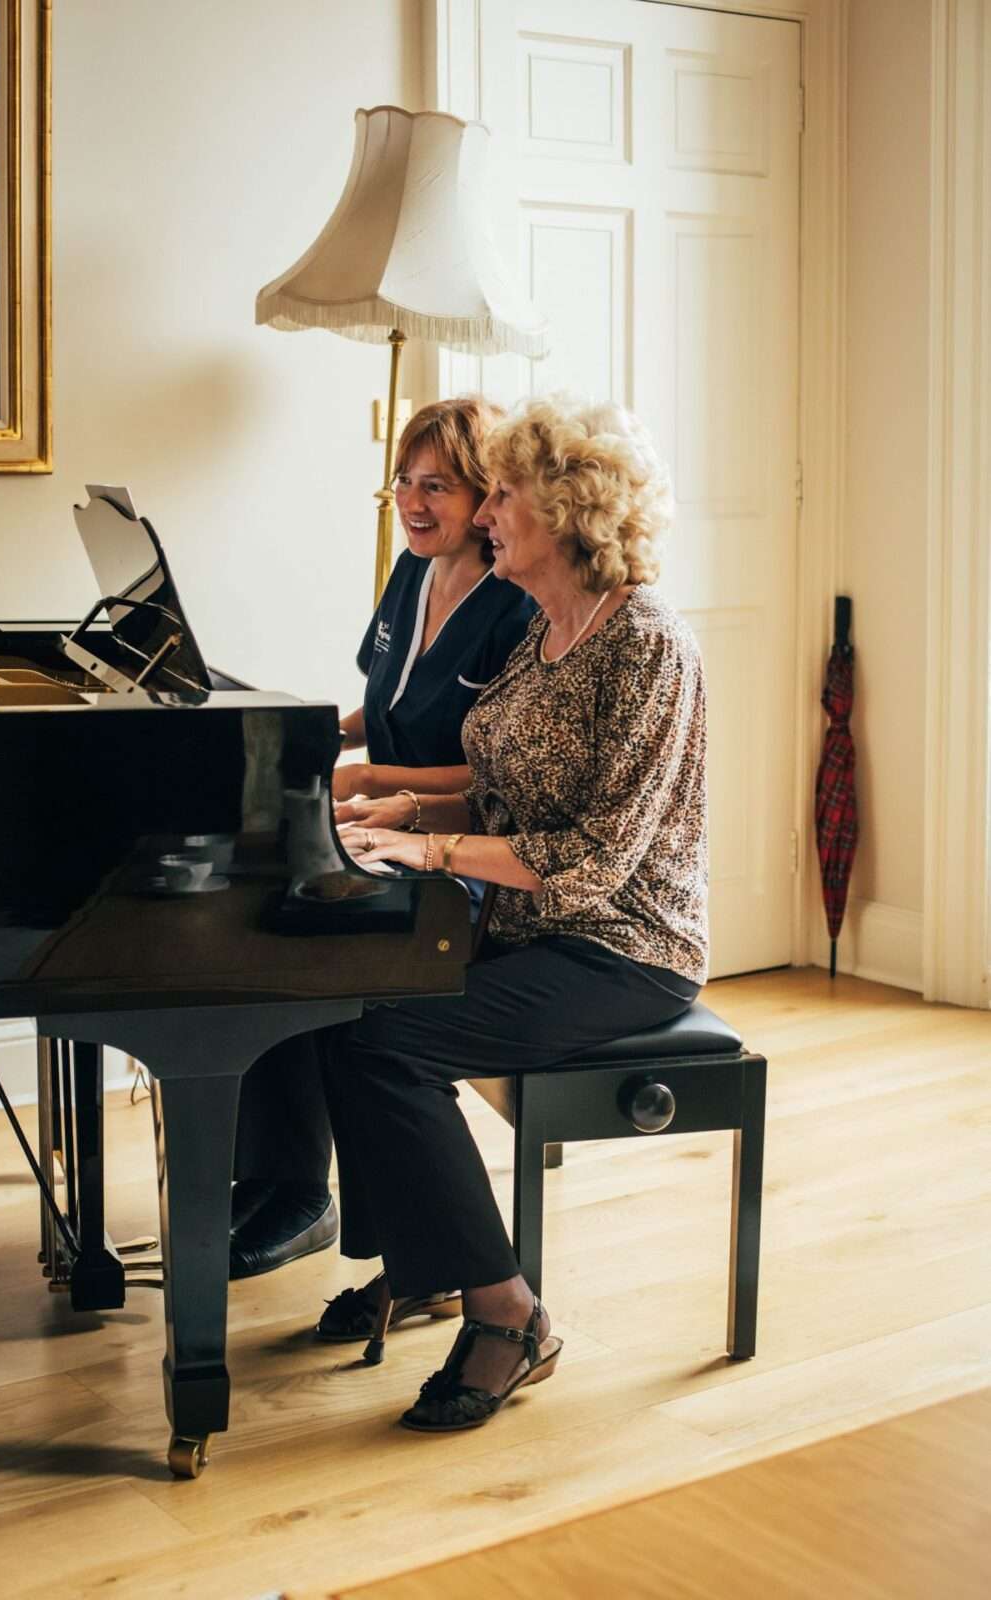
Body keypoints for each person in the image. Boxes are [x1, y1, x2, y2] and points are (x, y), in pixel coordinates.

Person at [319, 395, 708, 1431]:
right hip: (529, 924)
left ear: (569, 509)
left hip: (623, 948)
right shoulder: (544, 627)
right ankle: (432, 1258)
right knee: (328, 1001)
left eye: (501, 493)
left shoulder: (646, 646)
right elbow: (500, 790)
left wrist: (430, 846)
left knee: (385, 1044)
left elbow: (590, 861)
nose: (483, 511)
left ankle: (506, 1316)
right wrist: (400, 807)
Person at [228, 397, 537, 1280]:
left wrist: (369, 784)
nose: (410, 500)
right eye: (404, 480)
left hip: (461, 856)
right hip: (382, 828)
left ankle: (307, 1198)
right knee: (260, 913)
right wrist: (317, 741)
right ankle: (275, 1179)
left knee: (306, 937)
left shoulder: (515, 604)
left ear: (486, 497)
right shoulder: (414, 570)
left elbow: (500, 779)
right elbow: (389, 704)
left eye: (435, 485)